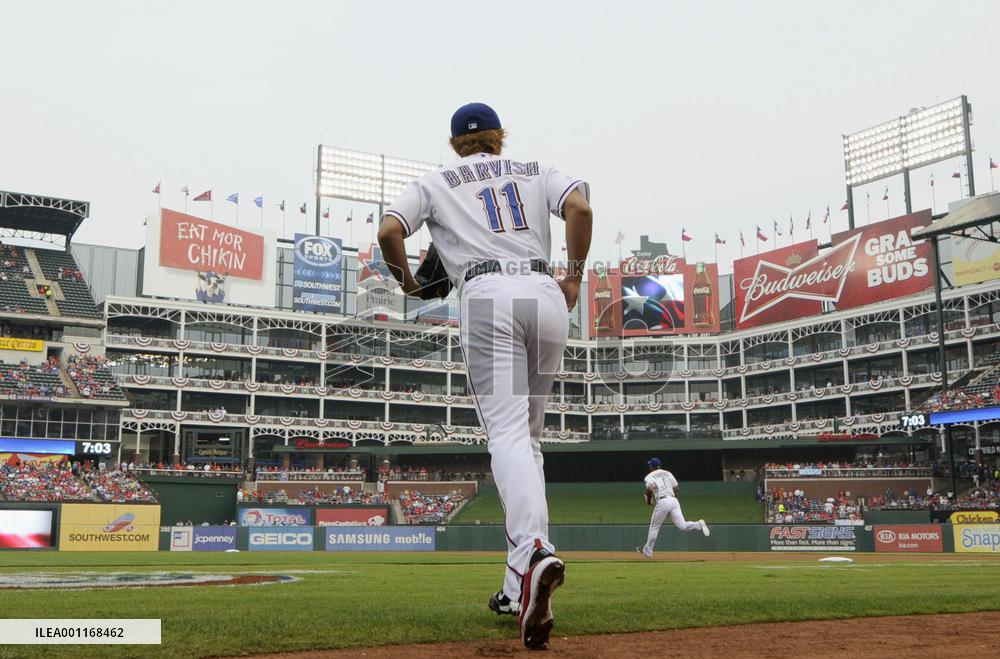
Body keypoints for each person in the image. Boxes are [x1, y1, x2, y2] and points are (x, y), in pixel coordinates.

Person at [378, 102, 592, 651]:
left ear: (456, 144)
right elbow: (581, 211)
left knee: (506, 436)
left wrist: (406, 282)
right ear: (501, 137)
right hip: (545, 295)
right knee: (530, 443)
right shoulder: (536, 170)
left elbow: (387, 232)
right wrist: (572, 280)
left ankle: (534, 550)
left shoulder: (435, 180)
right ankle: (514, 581)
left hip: (486, 294)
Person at [637, 458, 709, 558]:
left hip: (663, 501)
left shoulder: (649, 476)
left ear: (651, 467)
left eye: (649, 465)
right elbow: (676, 488)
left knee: (654, 527)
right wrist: (669, 497)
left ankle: (648, 551)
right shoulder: (668, 473)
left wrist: (649, 501)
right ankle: (698, 524)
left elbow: (650, 488)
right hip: (674, 500)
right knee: (682, 525)